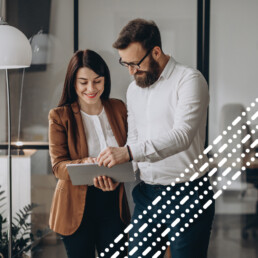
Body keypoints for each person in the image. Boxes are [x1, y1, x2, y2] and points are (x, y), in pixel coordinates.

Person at [97, 18, 215, 258]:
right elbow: (135, 139)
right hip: (148, 193)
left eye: (135, 64)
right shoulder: (134, 89)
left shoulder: (189, 80)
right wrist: (116, 169)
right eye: (125, 64)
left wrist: (128, 152)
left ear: (156, 52)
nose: (131, 71)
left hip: (188, 193)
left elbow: (182, 136)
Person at [48, 49, 130, 258]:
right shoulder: (60, 116)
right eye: (83, 82)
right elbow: (58, 167)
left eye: (97, 81)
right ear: (73, 83)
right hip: (75, 208)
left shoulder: (118, 108)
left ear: (105, 80)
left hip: (113, 204)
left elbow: (131, 151)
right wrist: (87, 163)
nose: (91, 88)